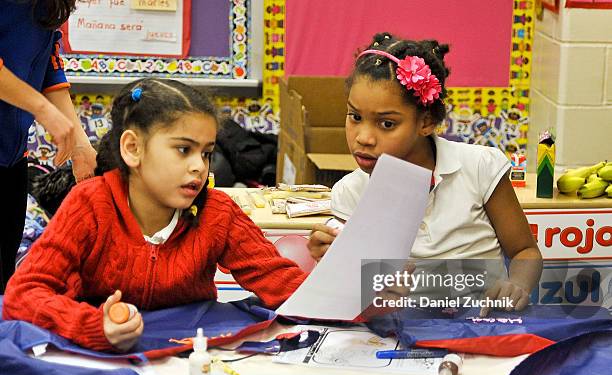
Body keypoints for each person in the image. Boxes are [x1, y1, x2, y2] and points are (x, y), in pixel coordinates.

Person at [3, 78, 306, 352]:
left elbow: (284, 283)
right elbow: (23, 295)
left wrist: (343, 291)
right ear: (133, 148)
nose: (200, 167)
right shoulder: (89, 205)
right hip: (98, 358)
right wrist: (93, 324)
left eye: (206, 153)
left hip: (191, 357)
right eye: (183, 150)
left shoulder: (218, 212)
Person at [307, 33, 542, 314]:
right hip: (401, 331)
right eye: (355, 117)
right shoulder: (350, 192)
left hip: (484, 323)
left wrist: (517, 284)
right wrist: (334, 265)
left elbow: (525, 252)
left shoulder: (480, 167)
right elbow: (359, 299)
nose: (363, 138)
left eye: (386, 123)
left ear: (426, 122)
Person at [0, 0, 97, 292]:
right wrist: (42, 110)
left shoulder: (48, 4)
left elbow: (50, 66)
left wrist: (80, 144)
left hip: (11, 162)